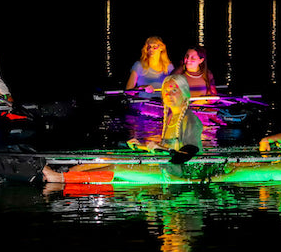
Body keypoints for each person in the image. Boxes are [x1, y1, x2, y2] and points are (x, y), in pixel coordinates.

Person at [42, 74, 203, 183]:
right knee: (106, 158)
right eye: (166, 90)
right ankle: (67, 173)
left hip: (174, 172)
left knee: (115, 167)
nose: (169, 94)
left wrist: (160, 149)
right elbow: (165, 149)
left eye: (174, 90)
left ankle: (60, 178)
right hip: (161, 163)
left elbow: (188, 152)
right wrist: (140, 145)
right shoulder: (170, 118)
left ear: (184, 93)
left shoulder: (190, 119)